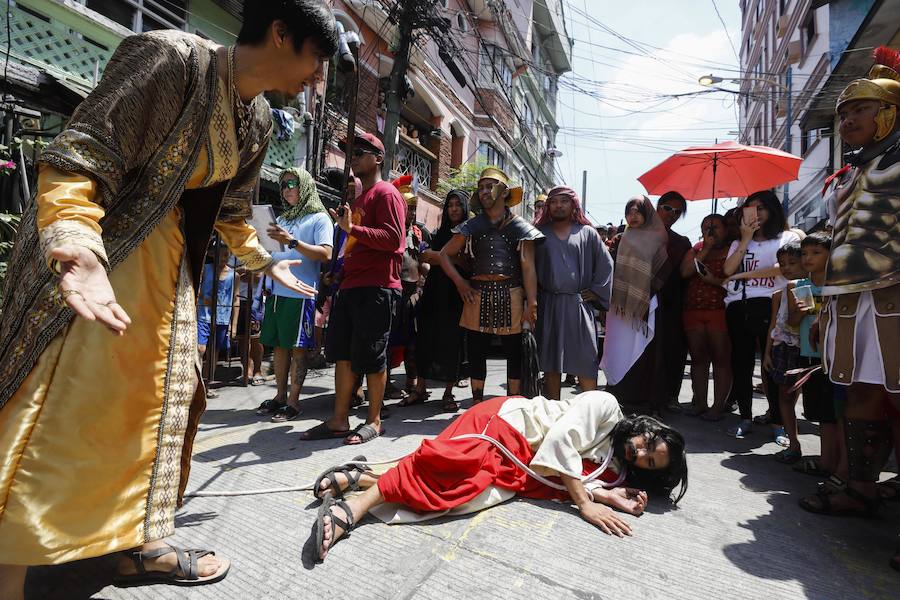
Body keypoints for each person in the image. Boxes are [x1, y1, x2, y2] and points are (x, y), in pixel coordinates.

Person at [0, 3, 337, 595]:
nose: (318, 78)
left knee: (156, 412)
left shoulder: (258, 119)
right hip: (97, 265)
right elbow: (80, 154)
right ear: (281, 33)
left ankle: (137, 545)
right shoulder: (172, 59)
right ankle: (11, 570)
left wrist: (263, 262)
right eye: (317, 59)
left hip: (167, 275)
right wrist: (76, 247)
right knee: (60, 412)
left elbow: (232, 212)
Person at [308, 390, 688, 561]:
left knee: (461, 496)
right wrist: (587, 504)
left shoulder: (615, 464)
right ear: (649, 427)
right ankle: (355, 507)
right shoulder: (605, 405)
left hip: (517, 461)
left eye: (650, 463)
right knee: (452, 469)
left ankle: (358, 475)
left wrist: (605, 494)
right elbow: (559, 442)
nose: (640, 453)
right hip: (505, 424)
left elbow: (557, 477)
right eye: (649, 443)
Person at [798, 48, 899, 575]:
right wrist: (820, 307)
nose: (848, 120)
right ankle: (861, 489)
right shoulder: (845, 176)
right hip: (848, 300)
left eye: (860, 109)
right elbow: (835, 242)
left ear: (889, 113)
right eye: (844, 113)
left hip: (895, 296)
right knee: (860, 391)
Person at [301, 132, 406, 445]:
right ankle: (339, 419)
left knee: (373, 355)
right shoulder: (358, 200)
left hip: (377, 286)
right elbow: (354, 246)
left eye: (360, 152)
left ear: (378, 158)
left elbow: (394, 240)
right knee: (342, 354)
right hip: (350, 286)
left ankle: (374, 420)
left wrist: (353, 228)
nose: (354, 158)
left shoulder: (386, 193)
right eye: (351, 153)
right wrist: (338, 274)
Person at [438, 167, 543, 403]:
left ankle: (512, 406)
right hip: (477, 293)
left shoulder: (521, 227)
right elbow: (444, 255)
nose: (484, 191)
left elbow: (528, 267)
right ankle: (477, 403)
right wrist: (460, 283)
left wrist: (532, 302)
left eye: (489, 186)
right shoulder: (472, 226)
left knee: (514, 351)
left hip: (512, 292)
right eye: (481, 187)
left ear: (504, 192)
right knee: (476, 350)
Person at [722, 190, 801, 438]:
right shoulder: (738, 242)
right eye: (751, 207)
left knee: (772, 366)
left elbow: (783, 268)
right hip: (739, 306)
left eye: (761, 207)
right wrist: (746, 238)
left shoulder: (788, 237)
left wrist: (744, 274)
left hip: (774, 304)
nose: (756, 213)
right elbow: (728, 269)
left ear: (773, 209)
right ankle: (745, 417)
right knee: (741, 363)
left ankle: (778, 422)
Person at [257, 168, 333, 422]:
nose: (287, 188)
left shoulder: (319, 218)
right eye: (284, 185)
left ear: (306, 186)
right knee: (279, 346)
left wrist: (292, 241)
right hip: (277, 292)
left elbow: (326, 254)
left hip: (301, 294)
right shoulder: (283, 218)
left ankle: (293, 402)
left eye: (292, 183)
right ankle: (280, 396)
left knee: (298, 349)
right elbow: (273, 252)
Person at [534, 186, 613, 400]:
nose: (558, 205)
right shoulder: (539, 234)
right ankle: (553, 412)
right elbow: (528, 267)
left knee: (586, 361)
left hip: (578, 306)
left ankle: (592, 412)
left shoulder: (587, 233)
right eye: (553, 202)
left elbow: (606, 265)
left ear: (573, 205)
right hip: (549, 305)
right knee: (551, 364)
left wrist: (596, 291)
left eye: (564, 201)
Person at [602, 196, 670, 418]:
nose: (633, 216)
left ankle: (642, 400)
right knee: (619, 349)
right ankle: (618, 395)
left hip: (644, 305)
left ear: (647, 214)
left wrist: (644, 294)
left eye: (638, 211)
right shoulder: (620, 238)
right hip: (620, 307)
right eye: (629, 211)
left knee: (641, 351)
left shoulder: (658, 238)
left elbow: (663, 270)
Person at [408, 189, 472, 411]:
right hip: (434, 291)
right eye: (450, 205)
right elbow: (425, 256)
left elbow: (467, 263)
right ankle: (420, 389)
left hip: (456, 293)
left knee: (451, 343)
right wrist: (447, 257)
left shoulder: (469, 232)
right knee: (426, 338)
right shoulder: (440, 232)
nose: (454, 209)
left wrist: (441, 257)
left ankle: (448, 393)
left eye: (458, 205)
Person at [679, 214, 733, 419]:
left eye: (715, 227)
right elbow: (685, 272)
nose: (710, 231)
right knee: (698, 359)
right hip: (693, 310)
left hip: (719, 310)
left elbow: (734, 279)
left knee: (721, 359)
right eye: (705, 227)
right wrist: (706, 249)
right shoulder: (697, 249)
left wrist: (714, 280)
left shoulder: (733, 250)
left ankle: (718, 407)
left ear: (725, 229)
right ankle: (700, 403)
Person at [756, 243, 805, 455]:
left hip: (808, 348)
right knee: (785, 395)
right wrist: (767, 352)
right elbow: (774, 325)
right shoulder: (779, 294)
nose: (786, 268)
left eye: (792, 263)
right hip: (783, 347)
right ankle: (792, 440)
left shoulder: (817, 288)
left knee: (796, 396)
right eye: (782, 264)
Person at [654, 192, 693, 412]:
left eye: (678, 212)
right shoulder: (637, 234)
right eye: (668, 208)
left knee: (672, 350)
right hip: (642, 301)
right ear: (657, 207)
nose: (672, 214)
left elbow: (685, 274)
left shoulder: (681, 242)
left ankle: (670, 397)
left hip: (671, 304)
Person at [391, 175, 426, 403]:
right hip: (394, 292)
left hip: (413, 294)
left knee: (413, 344)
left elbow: (420, 260)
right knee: (389, 343)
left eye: (413, 208)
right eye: (407, 208)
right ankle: (385, 384)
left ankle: (412, 382)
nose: (410, 213)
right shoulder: (392, 230)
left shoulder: (417, 233)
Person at [197, 245, 239, 398]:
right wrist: (202, 298)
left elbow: (235, 300)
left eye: (226, 255)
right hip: (203, 315)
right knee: (200, 349)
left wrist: (233, 325)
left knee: (213, 352)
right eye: (220, 255)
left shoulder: (234, 275)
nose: (223, 258)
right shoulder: (205, 269)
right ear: (213, 255)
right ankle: (197, 383)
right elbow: (196, 289)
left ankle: (206, 384)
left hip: (222, 318)